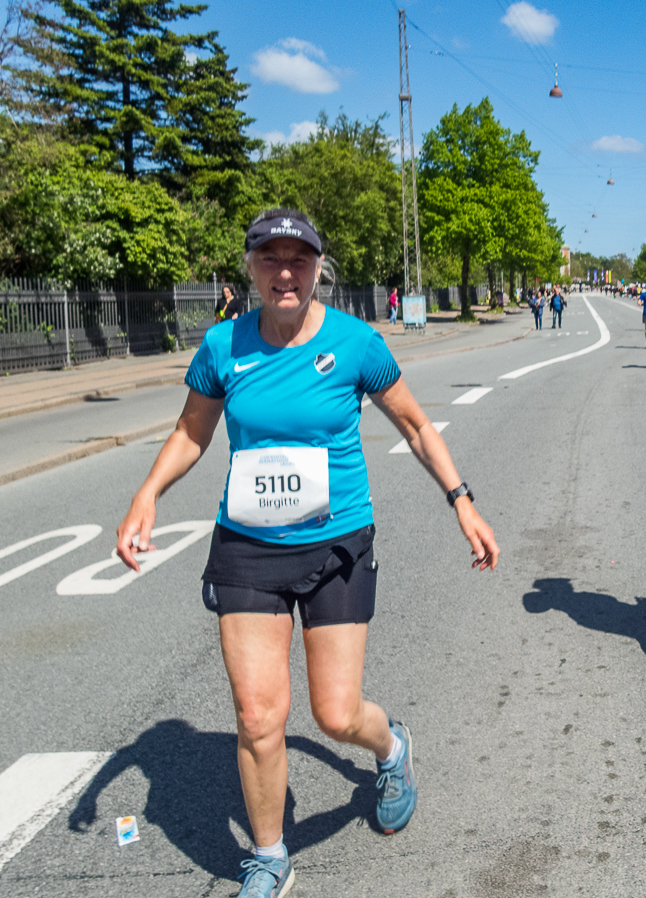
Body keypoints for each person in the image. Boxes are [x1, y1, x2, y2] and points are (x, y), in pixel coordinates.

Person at [114, 208, 499, 898]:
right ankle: (268, 856)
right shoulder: (223, 346)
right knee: (259, 715)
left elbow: (413, 424)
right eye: (270, 259)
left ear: (319, 267)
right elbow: (191, 432)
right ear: (251, 266)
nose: (284, 273)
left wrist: (461, 500)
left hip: (336, 544)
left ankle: (391, 749)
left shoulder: (356, 344)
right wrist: (148, 495)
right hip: (248, 549)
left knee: (335, 714)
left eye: (298, 260)